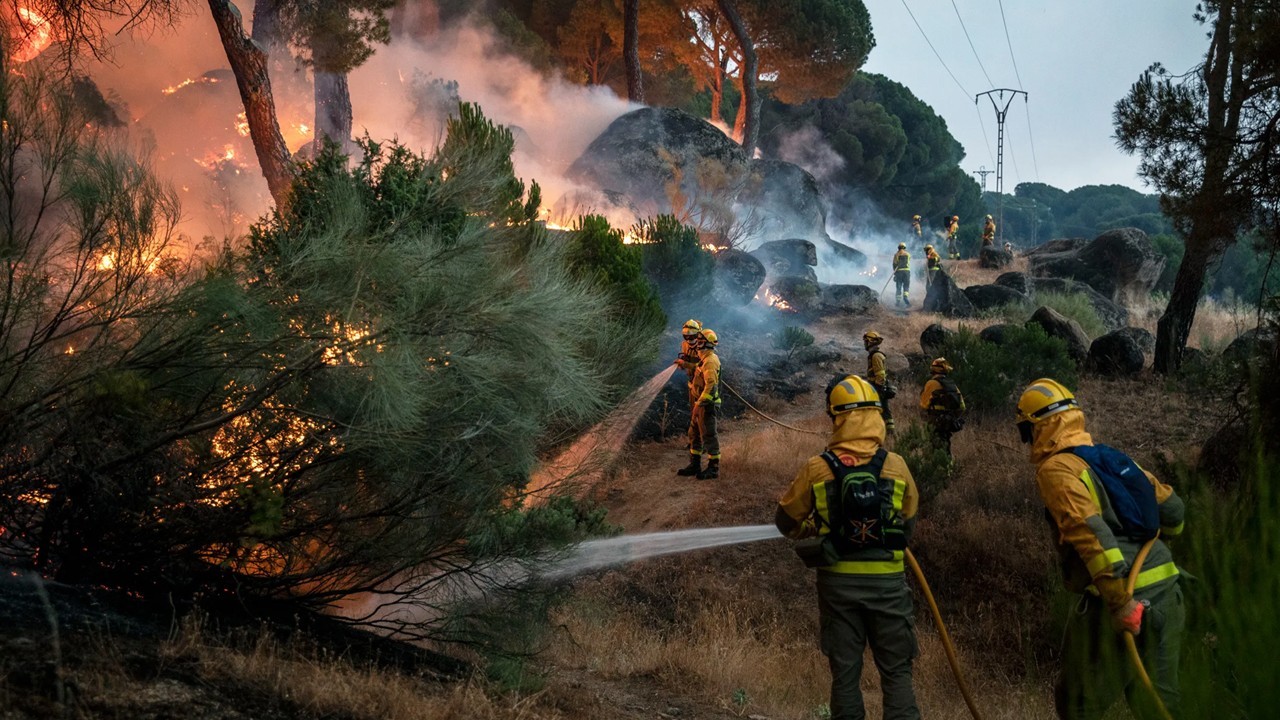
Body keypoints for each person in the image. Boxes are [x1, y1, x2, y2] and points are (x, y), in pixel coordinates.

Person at [1016, 378, 1186, 720]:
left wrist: (1122, 604)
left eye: (1025, 432)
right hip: (1169, 595)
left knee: (1079, 704)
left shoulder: (1056, 470)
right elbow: (1174, 512)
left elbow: (1091, 536)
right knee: (1158, 706)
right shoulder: (1110, 458)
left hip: (1127, 601)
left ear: (1039, 428)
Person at [774, 374, 921, 720]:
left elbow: (784, 521)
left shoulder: (818, 468)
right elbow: (908, 523)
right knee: (897, 674)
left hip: (838, 586)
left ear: (838, 418)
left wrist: (809, 527)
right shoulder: (896, 465)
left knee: (845, 676)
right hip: (888, 585)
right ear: (876, 416)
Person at [677, 328, 722, 479]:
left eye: (700, 342)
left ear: (706, 344)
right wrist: (685, 364)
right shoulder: (704, 359)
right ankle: (694, 464)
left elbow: (711, 386)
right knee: (694, 433)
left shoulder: (710, 361)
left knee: (709, 435)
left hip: (706, 405)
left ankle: (713, 469)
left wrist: (699, 404)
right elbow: (697, 368)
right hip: (699, 402)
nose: (696, 345)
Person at [918, 358, 965, 456]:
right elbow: (962, 406)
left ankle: (936, 468)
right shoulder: (952, 385)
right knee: (946, 446)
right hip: (948, 422)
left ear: (933, 370)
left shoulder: (931, 383)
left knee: (934, 447)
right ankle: (948, 468)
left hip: (935, 422)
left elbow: (923, 405)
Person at [862, 331, 895, 435]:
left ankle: (888, 433)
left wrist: (878, 388)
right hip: (875, 387)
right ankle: (886, 431)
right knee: (883, 410)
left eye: (866, 341)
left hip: (877, 387)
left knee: (882, 410)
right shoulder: (874, 355)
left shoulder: (876, 356)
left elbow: (880, 374)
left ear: (870, 342)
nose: (865, 344)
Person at [673, 318, 703, 412]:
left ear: (698, 335)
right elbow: (686, 359)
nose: (689, 340)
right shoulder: (685, 345)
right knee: (693, 409)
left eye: (692, 337)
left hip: (702, 384)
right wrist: (682, 365)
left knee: (701, 411)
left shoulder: (703, 347)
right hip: (691, 382)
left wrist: (685, 364)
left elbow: (704, 367)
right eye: (686, 337)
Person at [892, 243, 911, 307]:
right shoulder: (908, 254)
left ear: (898, 248)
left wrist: (895, 273)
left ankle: (898, 302)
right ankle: (905, 298)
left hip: (899, 272)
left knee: (899, 286)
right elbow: (908, 261)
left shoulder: (896, 254)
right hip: (906, 272)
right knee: (906, 286)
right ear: (904, 248)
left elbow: (894, 264)